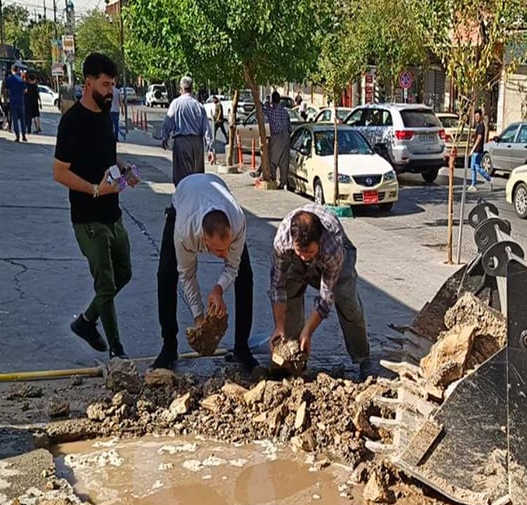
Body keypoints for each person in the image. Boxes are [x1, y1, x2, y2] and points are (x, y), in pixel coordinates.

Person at [52, 52, 139, 360]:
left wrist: (125, 168)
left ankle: (86, 321)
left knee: (124, 273)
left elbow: (107, 156)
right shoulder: (71, 122)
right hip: (88, 218)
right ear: (88, 83)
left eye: (113, 84)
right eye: (105, 84)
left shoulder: (104, 116)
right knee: (105, 283)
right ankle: (117, 351)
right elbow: (59, 171)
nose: (110, 90)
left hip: (113, 214)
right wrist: (94, 189)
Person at [153, 173, 257, 371]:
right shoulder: (185, 232)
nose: (224, 253)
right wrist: (199, 318)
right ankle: (169, 346)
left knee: (245, 276)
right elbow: (188, 275)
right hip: (185, 197)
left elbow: (232, 266)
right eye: (218, 250)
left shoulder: (237, 221)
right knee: (165, 274)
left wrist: (218, 290)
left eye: (227, 247)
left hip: (215, 188)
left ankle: (242, 348)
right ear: (204, 239)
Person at [269, 205, 370, 376]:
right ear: (293, 242)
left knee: (348, 303)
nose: (304, 256)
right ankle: (293, 357)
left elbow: (326, 297)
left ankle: (362, 357)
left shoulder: (333, 246)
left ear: (319, 241)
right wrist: (279, 327)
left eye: (308, 252)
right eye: (300, 251)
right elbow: (277, 287)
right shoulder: (282, 241)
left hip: (337, 262)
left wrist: (308, 331)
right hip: (294, 260)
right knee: (289, 290)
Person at [161, 76, 214, 186]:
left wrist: (164, 138)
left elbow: (168, 123)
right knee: (197, 177)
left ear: (181, 88)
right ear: (192, 88)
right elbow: (207, 129)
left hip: (182, 143)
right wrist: (210, 149)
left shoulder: (176, 104)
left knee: (182, 177)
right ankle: (195, 200)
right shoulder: (199, 105)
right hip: (197, 144)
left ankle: (183, 200)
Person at [263, 90, 292, 189]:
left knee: (272, 160)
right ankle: (283, 182)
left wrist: (266, 102)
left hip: (277, 137)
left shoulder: (271, 111)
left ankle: (274, 178)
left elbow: (262, 108)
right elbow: (289, 127)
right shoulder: (285, 111)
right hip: (286, 137)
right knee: (284, 161)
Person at [469, 108, 492, 191]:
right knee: (473, 167)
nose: (476, 118)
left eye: (478, 116)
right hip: (475, 150)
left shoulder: (481, 126)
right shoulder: (478, 125)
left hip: (478, 150)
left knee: (477, 167)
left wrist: (473, 149)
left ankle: (489, 178)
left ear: (481, 116)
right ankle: (473, 184)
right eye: (475, 116)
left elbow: (479, 138)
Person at [2, 65, 27, 142]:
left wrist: (6, 98)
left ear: (12, 70)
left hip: (13, 101)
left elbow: (5, 89)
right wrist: (21, 94)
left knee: (15, 119)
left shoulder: (9, 79)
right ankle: (23, 135)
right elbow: (25, 90)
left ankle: (17, 136)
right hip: (21, 101)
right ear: (17, 70)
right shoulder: (21, 79)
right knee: (22, 119)